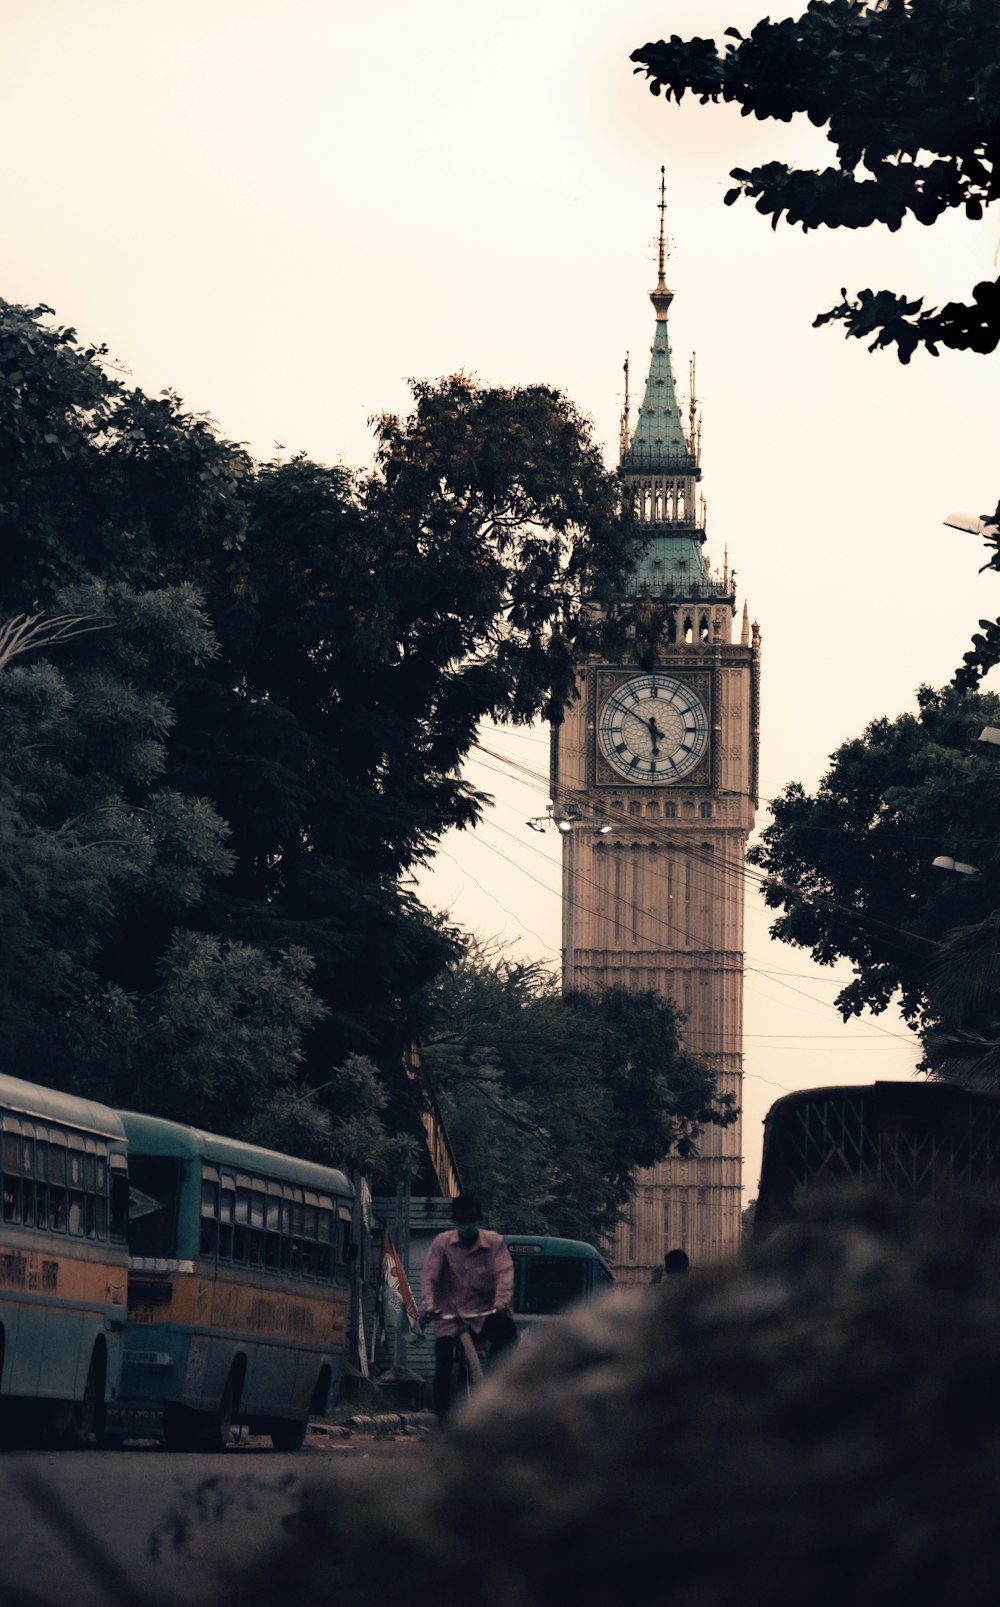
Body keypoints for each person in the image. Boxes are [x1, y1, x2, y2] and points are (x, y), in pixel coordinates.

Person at [420, 1193, 517, 1419]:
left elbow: (504, 1274)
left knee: (507, 1332)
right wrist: (429, 1305)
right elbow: (429, 1277)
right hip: (449, 1316)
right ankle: (444, 1422)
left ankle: (499, 1377)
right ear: (455, 1222)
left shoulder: (494, 1243)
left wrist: (501, 1303)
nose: (466, 1227)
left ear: (479, 1220)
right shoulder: (442, 1243)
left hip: (485, 1313)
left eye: (470, 1222)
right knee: (442, 1371)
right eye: (462, 1222)